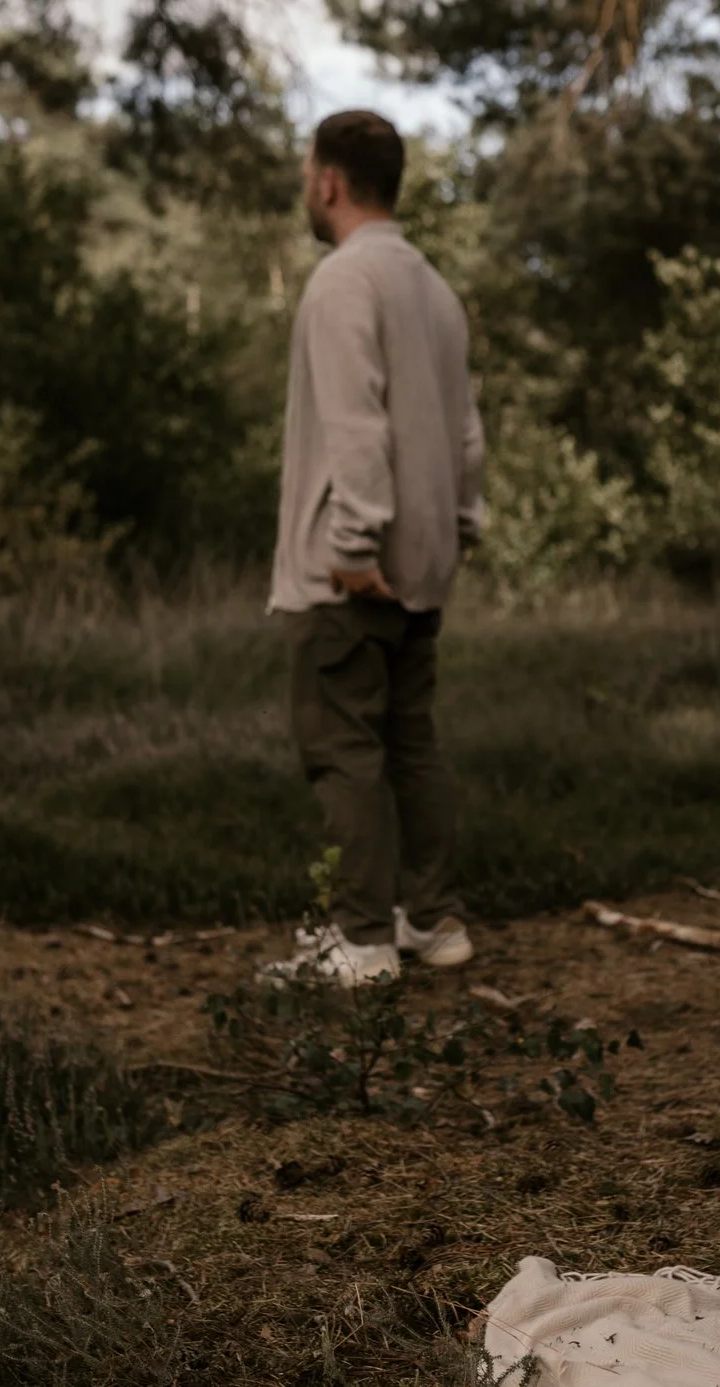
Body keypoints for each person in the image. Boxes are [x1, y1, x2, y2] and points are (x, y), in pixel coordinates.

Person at [261, 110, 486, 988]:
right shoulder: (435, 289)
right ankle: (431, 919)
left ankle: (359, 943)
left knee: (344, 750)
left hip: (349, 571)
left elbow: (356, 428)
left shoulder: (342, 281)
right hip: (423, 564)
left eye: (306, 173)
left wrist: (353, 546)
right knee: (410, 743)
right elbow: (466, 437)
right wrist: (455, 529)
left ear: (329, 181)